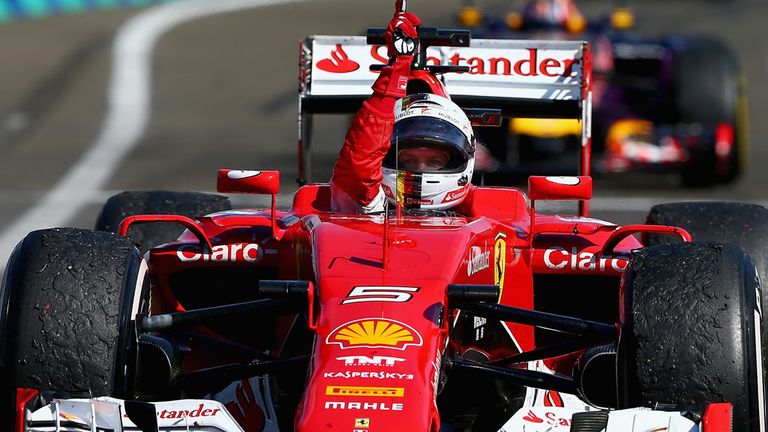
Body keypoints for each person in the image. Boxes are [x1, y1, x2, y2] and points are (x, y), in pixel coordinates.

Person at [330, 8, 477, 214]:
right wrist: (397, 70)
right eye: (407, 160)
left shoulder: (489, 218)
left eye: (434, 162)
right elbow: (360, 165)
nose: (421, 170)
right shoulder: (367, 207)